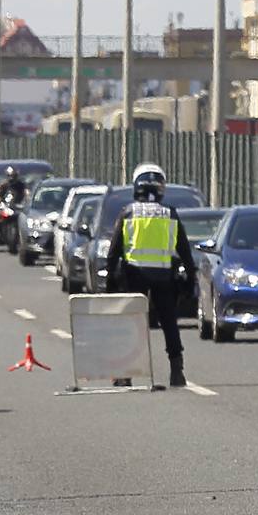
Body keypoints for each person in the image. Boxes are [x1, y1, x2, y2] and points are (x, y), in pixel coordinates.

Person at [105, 163, 196, 388]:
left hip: (134, 275)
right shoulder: (170, 214)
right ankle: (177, 372)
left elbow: (114, 250)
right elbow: (185, 252)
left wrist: (110, 280)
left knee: (131, 324)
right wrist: (190, 280)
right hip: (164, 277)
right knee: (169, 324)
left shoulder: (128, 212)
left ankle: (125, 374)